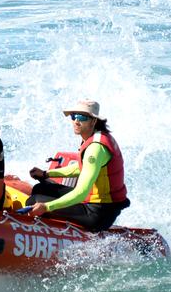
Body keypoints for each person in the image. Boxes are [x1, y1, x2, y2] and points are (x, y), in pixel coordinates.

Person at [26, 99, 130, 232]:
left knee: (33, 202)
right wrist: (47, 174)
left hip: (98, 213)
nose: (76, 121)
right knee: (40, 188)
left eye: (82, 117)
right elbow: (81, 167)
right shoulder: (95, 137)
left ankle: (48, 236)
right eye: (74, 116)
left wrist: (47, 207)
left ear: (93, 121)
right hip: (92, 201)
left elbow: (81, 193)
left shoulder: (95, 149)